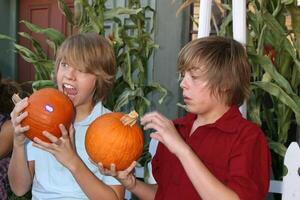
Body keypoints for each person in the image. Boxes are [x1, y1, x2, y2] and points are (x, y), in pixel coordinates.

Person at [99, 36, 271, 200]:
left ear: (225, 83)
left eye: (194, 77)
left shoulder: (247, 137)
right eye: (183, 75)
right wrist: (132, 184)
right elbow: (163, 194)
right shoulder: (177, 130)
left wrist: (182, 150)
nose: (183, 84)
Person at [8, 32, 124, 199]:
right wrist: (18, 144)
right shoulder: (37, 114)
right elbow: (19, 188)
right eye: (65, 65)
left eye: (82, 70)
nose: (69, 75)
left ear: (100, 78)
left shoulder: (112, 127)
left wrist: (72, 161)